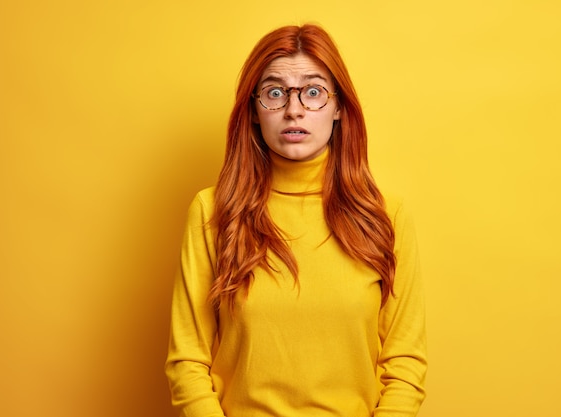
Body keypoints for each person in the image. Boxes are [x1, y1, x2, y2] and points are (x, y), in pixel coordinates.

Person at [165, 24, 427, 417]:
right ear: (253, 110)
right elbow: (187, 360)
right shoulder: (212, 212)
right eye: (274, 92)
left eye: (314, 91)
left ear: (339, 107)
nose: (294, 108)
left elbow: (404, 364)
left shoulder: (386, 215)